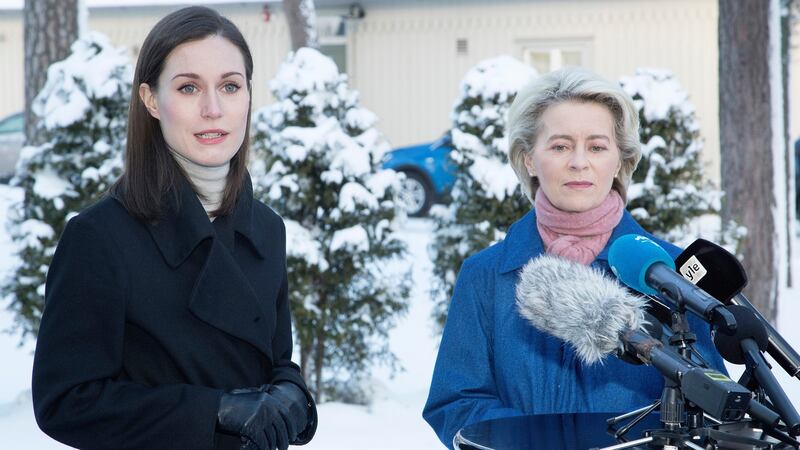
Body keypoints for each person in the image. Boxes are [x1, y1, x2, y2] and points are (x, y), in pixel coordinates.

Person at [31, 6, 316, 450]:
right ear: (150, 99)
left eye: (230, 86)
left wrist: (292, 392)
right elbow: (65, 401)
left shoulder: (266, 228)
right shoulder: (100, 236)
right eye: (188, 88)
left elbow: (275, 359)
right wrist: (213, 411)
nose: (213, 109)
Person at [422, 67, 726, 448]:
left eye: (597, 147)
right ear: (530, 159)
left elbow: (712, 408)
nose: (579, 162)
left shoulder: (671, 272)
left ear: (619, 160)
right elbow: (456, 403)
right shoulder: (485, 275)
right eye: (560, 146)